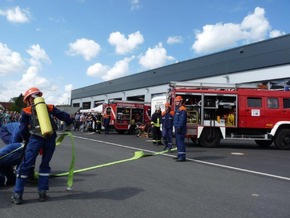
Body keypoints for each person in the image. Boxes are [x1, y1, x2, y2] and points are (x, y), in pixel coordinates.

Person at [11, 87, 74, 205]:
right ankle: (42, 193)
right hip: (50, 138)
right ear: (39, 96)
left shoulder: (26, 110)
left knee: (25, 165)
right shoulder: (49, 107)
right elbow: (65, 116)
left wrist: (26, 138)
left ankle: (18, 194)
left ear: (29, 99)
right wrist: (69, 124)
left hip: (35, 138)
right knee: (45, 165)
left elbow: (22, 129)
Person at [173, 96, 187, 162]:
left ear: (181, 101)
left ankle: (182, 156)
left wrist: (179, 127)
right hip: (177, 127)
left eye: (177, 101)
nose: (176, 103)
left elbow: (182, 120)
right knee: (178, 142)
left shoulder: (182, 109)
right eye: (175, 101)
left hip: (180, 128)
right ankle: (179, 154)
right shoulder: (177, 109)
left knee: (180, 142)